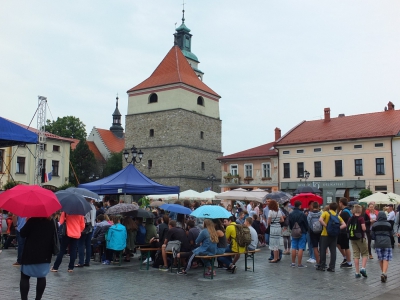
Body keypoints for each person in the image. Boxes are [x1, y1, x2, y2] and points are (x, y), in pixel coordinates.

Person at [19, 216, 56, 300]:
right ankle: (38, 298)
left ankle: (24, 298)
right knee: (41, 276)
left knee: (25, 276)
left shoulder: (32, 220)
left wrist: (26, 222)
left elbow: (22, 233)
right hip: (45, 253)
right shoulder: (51, 222)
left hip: (30, 253)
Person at [318, 202, 346, 272]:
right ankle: (332, 267)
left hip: (325, 234)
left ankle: (322, 265)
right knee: (333, 251)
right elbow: (344, 225)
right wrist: (337, 229)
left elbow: (320, 220)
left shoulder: (326, 213)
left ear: (329, 207)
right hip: (334, 235)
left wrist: (326, 226)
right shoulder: (337, 215)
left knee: (323, 250)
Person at [371, 211, 393, 282]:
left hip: (378, 243)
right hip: (387, 243)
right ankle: (384, 273)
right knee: (386, 258)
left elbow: (372, 235)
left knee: (380, 258)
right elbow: (391, 234)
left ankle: (383, 273)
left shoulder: (375, 225)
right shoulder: (388, 224)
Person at [348, 205, 368, 278]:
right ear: (360, 211)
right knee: (365, 253)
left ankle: (357, 272)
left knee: (356, 254)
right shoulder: (361, 218)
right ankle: (363, 268)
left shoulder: (350, 218)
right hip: (360, 238)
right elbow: (363, 228)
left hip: (352, 238)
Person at [75, 198, 96, 268]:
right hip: (91, 226)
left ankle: (81, 262)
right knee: (88, 245)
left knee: (80, 244)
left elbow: (83, 217)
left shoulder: (84, 206)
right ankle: (87, 261)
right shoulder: (93, 206)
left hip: (84, 226)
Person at [288, 201, 309, 268]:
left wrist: (292, 229)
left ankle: (293, 263)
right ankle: (299, 264)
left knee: (294, 247)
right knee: (301, 248)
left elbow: (290, 224)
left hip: (294, 232)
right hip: (302, 231)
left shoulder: (291, 214)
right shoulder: (302, 214)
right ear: (300, 206)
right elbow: (306, 224)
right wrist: (306, 230)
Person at [337, 198, 352, 268]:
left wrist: (339, 216)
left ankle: (349, 262)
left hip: (344, 231)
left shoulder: (344, 212)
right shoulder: (348, 210)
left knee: (346, 247)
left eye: (339, 202)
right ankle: (346, 258)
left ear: (341, 203)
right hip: (344, 231)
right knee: (338, 243)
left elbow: (340, 221)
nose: (339, 204)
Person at [307, 201, 322, 268]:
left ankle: (317, 262)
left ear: (312, 207)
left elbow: (308, 223)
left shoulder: (310, 214)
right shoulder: (321, 213)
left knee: (315, 247)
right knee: (321, 247)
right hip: (321, 232)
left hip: (313, 232)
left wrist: (311, 229)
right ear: (318, 207)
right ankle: (322, 261)